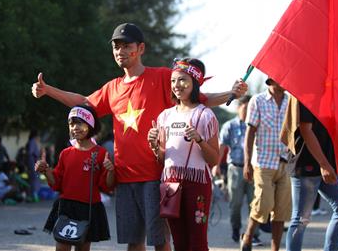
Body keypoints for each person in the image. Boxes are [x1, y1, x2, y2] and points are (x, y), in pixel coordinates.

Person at [31, 22, 248, 251]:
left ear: (141, 48)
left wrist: (231, 94)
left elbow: (200, 97)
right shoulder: (112, 88)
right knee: (134, 243)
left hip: (155, 175)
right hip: (125, 178)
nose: (120, 51)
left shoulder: (163, 77)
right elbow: (84, 103)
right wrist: (48, 91)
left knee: (160, 240)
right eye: (116, 47)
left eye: (126, 46)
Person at [148, 58, 219, 251]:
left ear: (195, 82)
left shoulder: (205, 115)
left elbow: (214, 159)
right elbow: (163, 159)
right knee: (178, 242)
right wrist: (154, 145)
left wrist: (199, 140)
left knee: (197, 242)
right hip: (170, 184)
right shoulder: (165, 116)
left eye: (182, 80)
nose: (176, 85)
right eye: (173, 81)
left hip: (198, 185)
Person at [35, 105, 115, 251]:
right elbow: (57, 183)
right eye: (71, 124)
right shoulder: (65, 153)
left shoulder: (101, 153)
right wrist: (46, 170)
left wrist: (110, 171)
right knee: (61, 248)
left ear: (90, 125)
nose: (75, 128)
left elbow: (106, 186)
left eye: (79, 123)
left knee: (83, 248)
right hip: (66, 207)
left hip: (89, 209)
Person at [284, 98, 338, 251]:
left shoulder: (330, 95)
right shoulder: (305, 94)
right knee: (301, 220)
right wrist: (324, 165)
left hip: (327, 164)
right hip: (308, 164)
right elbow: (306, 130)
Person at [240, 78, 291, 251]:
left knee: (281, 210)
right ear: (272, 80)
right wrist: (247, 163)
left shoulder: (291, 101)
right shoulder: (258, 100)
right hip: (263, 162)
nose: (286, 81)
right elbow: (250, 132)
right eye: (282, 78)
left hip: (284, 162)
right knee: (264, 204)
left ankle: (275, 248)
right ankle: (248, 236)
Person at [212, 95, 263, 245]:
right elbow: (222, 147)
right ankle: (235, 228)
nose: (248, 111)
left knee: (255, 203)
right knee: (235, 204)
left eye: (251, 108)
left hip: (255, 169)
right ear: (238, 107)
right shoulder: (230, 126)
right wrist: (216, 165)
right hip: (235, 169)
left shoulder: (257, 124)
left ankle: (252, 234)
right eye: (246, 107)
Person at [26, 129, 41, 202]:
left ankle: (32, 195)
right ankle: (34, 195)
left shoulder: (31, 141)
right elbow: (31, 152)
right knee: (34, 178)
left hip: (32, 161)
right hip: (33, 161)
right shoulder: (33, 141)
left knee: (33, 178)